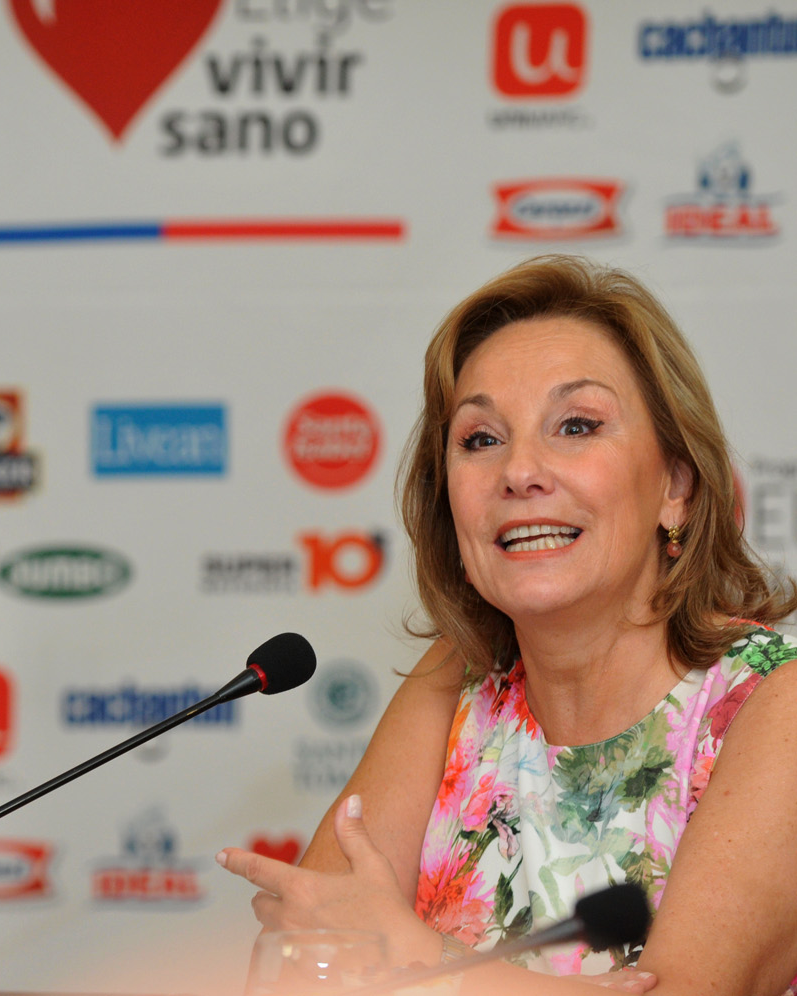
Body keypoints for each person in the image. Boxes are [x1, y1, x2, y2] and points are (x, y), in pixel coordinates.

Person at [218, 255, 797, 995]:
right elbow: (307, 963)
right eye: (481, 439)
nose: (520, 471)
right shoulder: (455, 681)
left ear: (675, 489)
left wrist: (419, 964)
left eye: (577, 425)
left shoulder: (774, 704)